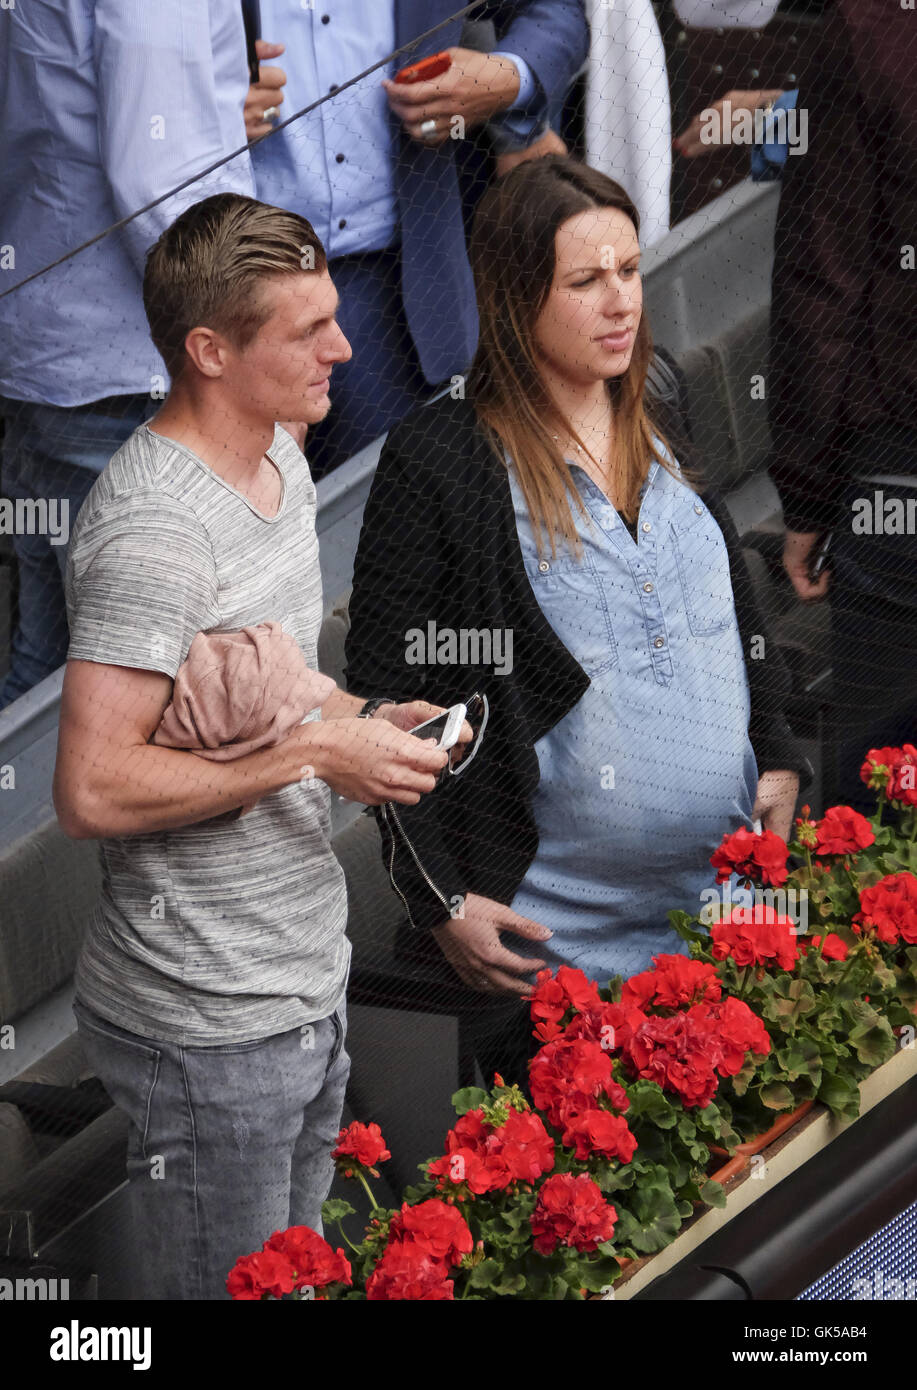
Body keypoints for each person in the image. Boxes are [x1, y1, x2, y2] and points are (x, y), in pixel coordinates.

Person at [53, 193, 463, 1299]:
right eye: (306, 328)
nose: (345, 345)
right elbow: (90, 785)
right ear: (209, 350)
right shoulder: (155, 532)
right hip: (204, 1022)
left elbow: (281, 687)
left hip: (295, 979)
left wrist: (357, 716)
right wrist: (314, 758)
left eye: (334, 314)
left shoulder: (279, 452)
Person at [344, 156, 809, 1086]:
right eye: (586, 281)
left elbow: (716, 604)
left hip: (726, 915)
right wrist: (439, 900)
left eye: (630, 272)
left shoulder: (658, 398)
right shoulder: (440, 455)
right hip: (563, 964)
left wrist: (779, 747)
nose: (620, 302)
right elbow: (379, 703)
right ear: (517, 299)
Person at [0, 1, 259, 707]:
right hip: (131, 374)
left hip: (53, 356)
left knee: (51, 667)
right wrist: (246, 348)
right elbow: (160, 179)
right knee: (168, 688)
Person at [247, 0, 589, 476]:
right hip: (228, 294)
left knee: (412, 525)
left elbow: (551, 10)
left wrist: (506, 79)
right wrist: (196, 113)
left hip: (404, 294)